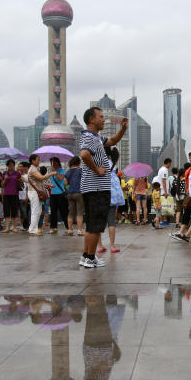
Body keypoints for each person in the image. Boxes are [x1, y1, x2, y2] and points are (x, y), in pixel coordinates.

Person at [78, 106, 128, 268]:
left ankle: (87, 256)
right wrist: (97, 169)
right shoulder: (89, 137)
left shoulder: (96, 137)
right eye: (100, 116)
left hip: (95, 187)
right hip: (96, 188)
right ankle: (90, 258)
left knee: (92, 224)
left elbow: (113, 141)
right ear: (91, 119)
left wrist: (122, 129)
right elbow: (84, 154)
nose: (103, 119)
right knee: (96, 225)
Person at [98, 148, 124, 254]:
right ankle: (112, 246)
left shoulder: (100, 163)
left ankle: (100, 246)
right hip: (113, 195)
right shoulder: (114, 164)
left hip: (102, 193)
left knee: (99, 221)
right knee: (111, 221)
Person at [25, 154, 56, 236]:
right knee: (36, 211)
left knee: (37, 211)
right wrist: (51, 173)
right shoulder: (33, 169)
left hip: (36, 192)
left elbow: (40, 181)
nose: (39, 161)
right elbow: (42, 178)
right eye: (37, 159)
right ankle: (32, 230)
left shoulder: (34, 169)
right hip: (34, 192)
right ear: (32, 161)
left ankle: (33, 229)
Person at [47, 157, 69, 234]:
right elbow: (49, 180)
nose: (54, 164)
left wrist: (56, 173)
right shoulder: (51, 171)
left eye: (55, 162)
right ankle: (53, 227)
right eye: (53, 162)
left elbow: (60, 179)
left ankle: (68, 227)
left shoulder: (61, 170)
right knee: (53, 211)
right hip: (52, 194)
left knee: (63, 211)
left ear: (58, 163)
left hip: (60, 194)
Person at [64, 156, 84, 236]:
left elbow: (65, 183)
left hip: (70, 193)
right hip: (78, 193)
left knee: (71, 212)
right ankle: (79, 230)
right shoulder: (81, 171)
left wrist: (69, 188)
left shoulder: (68, 172)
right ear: (79, 162)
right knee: (79, 212)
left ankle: (70, 230)